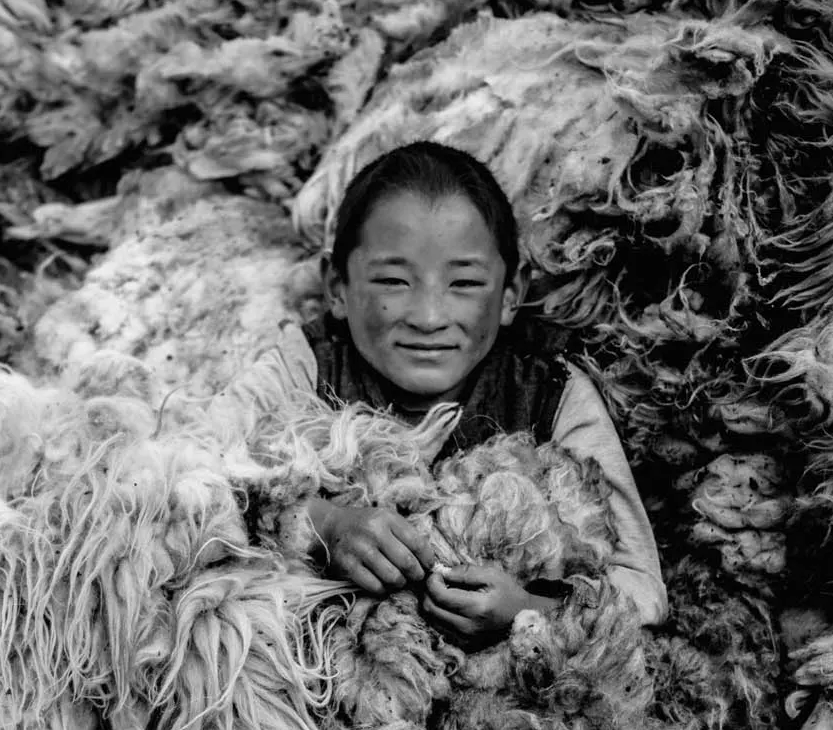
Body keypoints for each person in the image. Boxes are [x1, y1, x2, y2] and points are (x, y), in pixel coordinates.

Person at [237, 141, 668, 637]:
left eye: (463, 284)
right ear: (337, 286)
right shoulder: (302, 367)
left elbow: (642, 588)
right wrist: (325, 525)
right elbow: (198, 483)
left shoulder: (552, 395)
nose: (429, 317)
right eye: (394, 281)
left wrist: (528, 611)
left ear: (511, 294)